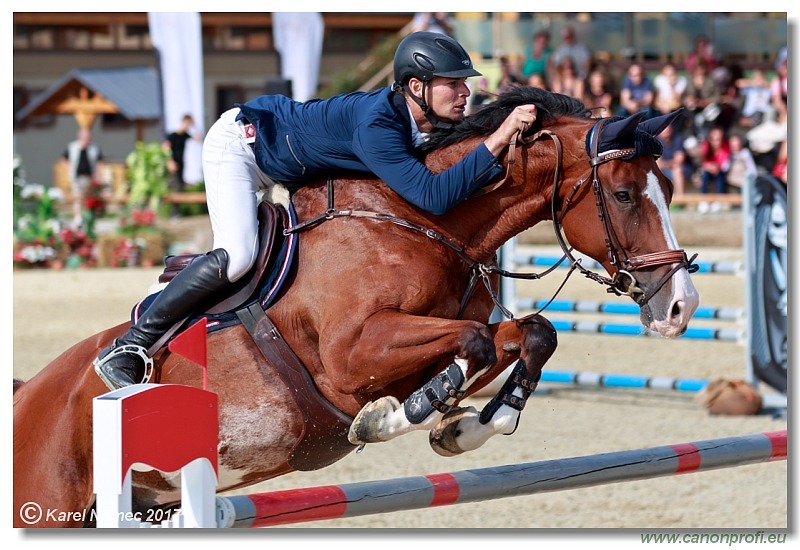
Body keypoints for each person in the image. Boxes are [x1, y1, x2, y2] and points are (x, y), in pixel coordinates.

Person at [93, 31, 538, 390]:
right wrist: (497, 139)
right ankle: (130, 345)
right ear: (417, 88)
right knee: (239, 257)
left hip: (285, 161)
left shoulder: (419, 120)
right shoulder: (378, 127)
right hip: (243, 148)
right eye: (454, 83)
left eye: (466, 83)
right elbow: (436, 197)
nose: (465, 92)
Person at [60, 127, 104, 229]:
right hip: (77, 177)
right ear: (80, 137)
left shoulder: (94, 148)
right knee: (78, 197)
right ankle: (78, 218)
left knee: (89, 198)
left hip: (89, 177)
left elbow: (99, 162)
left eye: (88, 138)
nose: (87, 140)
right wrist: (69, 168)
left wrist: (99, 175)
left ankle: (88, 218)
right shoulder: (72, 147)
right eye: (85, 138)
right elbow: (63, 159)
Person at [162, 114, 201, 215]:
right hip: (173, 166)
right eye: (188, 123)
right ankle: (173, 214)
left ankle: (177, 213)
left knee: (179, 188)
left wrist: (195, 126)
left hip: (181, 165)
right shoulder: (173, 135)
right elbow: (165, 148)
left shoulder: (185, 135)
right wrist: (170, 162)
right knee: (174, 188)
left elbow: (198, 139)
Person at [697, 126, 730, 212]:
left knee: (720, 176)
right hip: (707, 171)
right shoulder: (705, 146)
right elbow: (702, 162)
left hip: (720, 172)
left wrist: (716, 167)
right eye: (713, 138)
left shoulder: (726, 148)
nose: (716, 141)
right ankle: (704, 200)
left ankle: (718, 200)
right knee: (705, 175)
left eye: (718, 139)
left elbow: (725, 165)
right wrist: (710, 167)